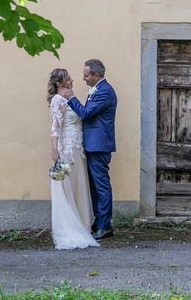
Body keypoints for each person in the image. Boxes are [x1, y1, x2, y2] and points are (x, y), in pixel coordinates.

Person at [59, 59, 117, 240]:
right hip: (92, 145)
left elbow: (86, 113)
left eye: (86, 75)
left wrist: (71, 97)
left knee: (101, 186)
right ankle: (99, 222)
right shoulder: (98, 90)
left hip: (99, 145)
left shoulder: (105, 91)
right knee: (95, 187)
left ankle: (105, 225)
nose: (83, 78)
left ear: (96, 75)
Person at [47, 68, 99, 250]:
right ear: (60, 83)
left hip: (78, 148)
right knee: (68, 187)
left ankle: (83, 224)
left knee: (79, 185)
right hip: (67, 148)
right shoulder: (57, 100)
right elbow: (55, 127)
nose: (72, 81)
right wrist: (54, 150)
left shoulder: (70, 98)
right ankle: (70, 227)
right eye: (68, 79)